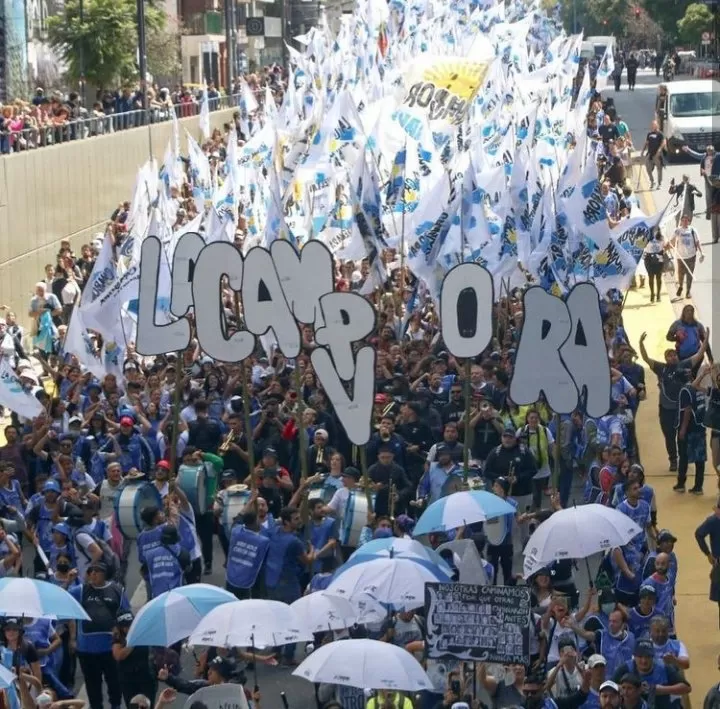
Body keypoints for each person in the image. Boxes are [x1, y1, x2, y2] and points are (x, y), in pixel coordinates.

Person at [638, 330, 708, 472]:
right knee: (669, 436)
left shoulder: (685, 364)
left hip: (682, 409)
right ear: (665, 359)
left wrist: (705, 339)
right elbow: (646, 358)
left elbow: (700, 354)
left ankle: (683, 459)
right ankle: (673, 460)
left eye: (674, 355)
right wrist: (641, 344)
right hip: (666, 409)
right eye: (669, 356)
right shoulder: (661, 368)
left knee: (683, 434)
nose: (673, 357)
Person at [68, 561, 130, 709]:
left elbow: (127, 615)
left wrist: (122, 637)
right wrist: (68, 581)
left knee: (115, 684)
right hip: (87, 650)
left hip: (111, 649)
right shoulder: (81, 590)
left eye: (97, 571)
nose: (93, 574)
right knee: (92, 688)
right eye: (90, 571)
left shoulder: (117, 590)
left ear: (105, 573)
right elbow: (64, 600)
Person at [111, 612, 157, 708]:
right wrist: (133, 641)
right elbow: (119, 655)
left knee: (148, 705)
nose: (128, 628)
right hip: (129, 680)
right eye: (125, 626)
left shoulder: (143, 631)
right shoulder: (118, 637)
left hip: (146, 677)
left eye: (130, 625)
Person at [668, 214, 705, 299]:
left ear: (689, 221)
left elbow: (697, 242)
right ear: (681, 221)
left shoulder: (692, 230)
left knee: (689, 275)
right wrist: (667, 245)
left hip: (691, 257)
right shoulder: (677, 230)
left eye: (686, 220)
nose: (685, 222)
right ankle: (680, 286)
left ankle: (688, 292)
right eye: (683, 220)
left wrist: (701, 252)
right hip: (680, 257)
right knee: (680, 274)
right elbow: (672, 241)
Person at [695, 495, 720, 618]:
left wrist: (708, 554)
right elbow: (698, 534)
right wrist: (708, 554)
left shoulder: (713, 521)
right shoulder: (713, 521)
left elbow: (699, 534)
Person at [640, 120, 666, 190]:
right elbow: (646, 143)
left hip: (657, 154)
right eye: (652, 125)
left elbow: (664, 142)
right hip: (650, 153)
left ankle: (659, 183)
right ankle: (652, 181)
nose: (653, 126)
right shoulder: (649, 134)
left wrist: (660, 149)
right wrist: (642, 150)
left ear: (657, 125)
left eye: (654, 125)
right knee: (648, 167)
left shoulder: (660, 134)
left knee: (659, 169)